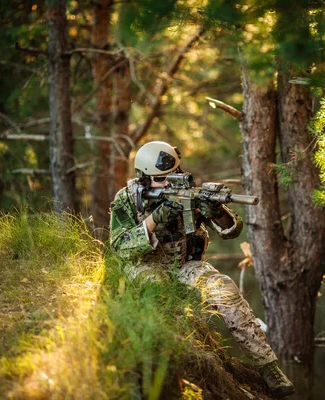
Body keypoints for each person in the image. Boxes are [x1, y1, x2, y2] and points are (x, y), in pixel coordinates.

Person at [109, 141, 295, 398]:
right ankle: (166, 364)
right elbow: (119, 247)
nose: (168, 183)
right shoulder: (127, 198)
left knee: (226, 291)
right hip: (145, 265)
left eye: (173, 175)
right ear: (143, 177)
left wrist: (216, 211)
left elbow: (232, 230)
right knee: (156, 293)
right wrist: (155, 218)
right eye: (160, 179)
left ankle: (268, 366)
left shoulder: (189, 192)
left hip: (186, 264)